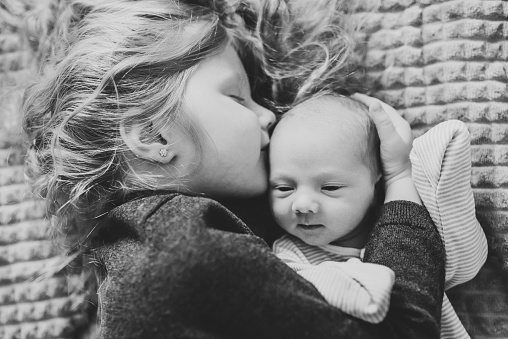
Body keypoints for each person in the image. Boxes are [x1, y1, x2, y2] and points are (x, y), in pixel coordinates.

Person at [22, 0, 446, 338]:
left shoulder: (136, 251)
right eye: (238, 97)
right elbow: (405, 329)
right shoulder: (187, 252)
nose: (269, 117)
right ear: (154, 136)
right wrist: (400, 180)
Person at [270, 94, 487, 339]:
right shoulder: (286, 257)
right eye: (283, 188)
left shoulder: (407, 221)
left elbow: (468, 263)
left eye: (330, 187)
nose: (301, 205)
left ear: (375, 186)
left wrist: (402, 173)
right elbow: (368, 298)